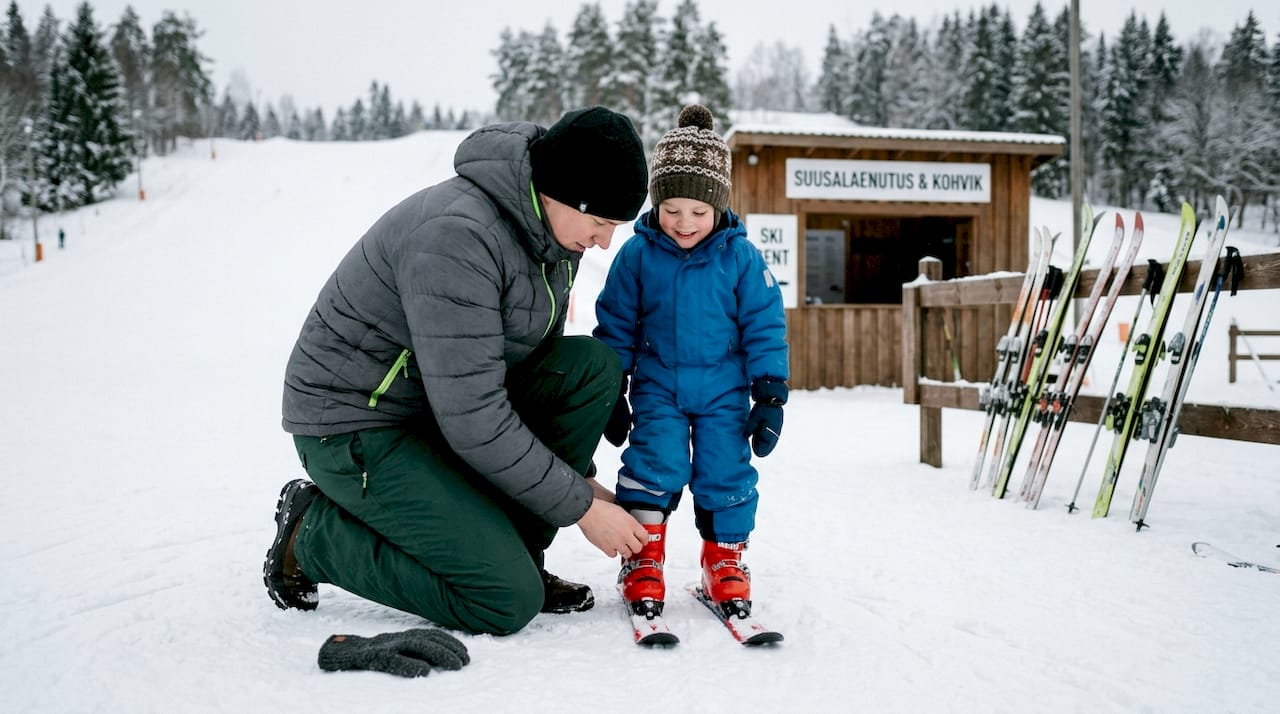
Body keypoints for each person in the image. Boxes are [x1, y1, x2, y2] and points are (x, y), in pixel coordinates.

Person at [264, 106, 653, 636]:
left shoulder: (554, 235)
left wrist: (578, 480)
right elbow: (475, 419)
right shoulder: (457, 236)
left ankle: (512, 555)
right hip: (358, 425)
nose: (605, 241)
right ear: (565, 191)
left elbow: (532, 363)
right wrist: (581, 505)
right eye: (602, 222)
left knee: (590, 369)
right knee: (503, 600)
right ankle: (314, 535)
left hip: (439, 411)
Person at [593, 104, 789, 619]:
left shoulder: (740, 257)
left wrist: (769, 392)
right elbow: (615, 324)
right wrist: (612, 386)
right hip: (658, 385)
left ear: (718, 208)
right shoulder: (636, 255)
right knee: (654, 463)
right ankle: (643, 557)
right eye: (671, 209)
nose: (683, 223)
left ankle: (723, 560)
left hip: (725, 390)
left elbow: (765, 323)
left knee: (726, 469)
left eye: (698, 213)